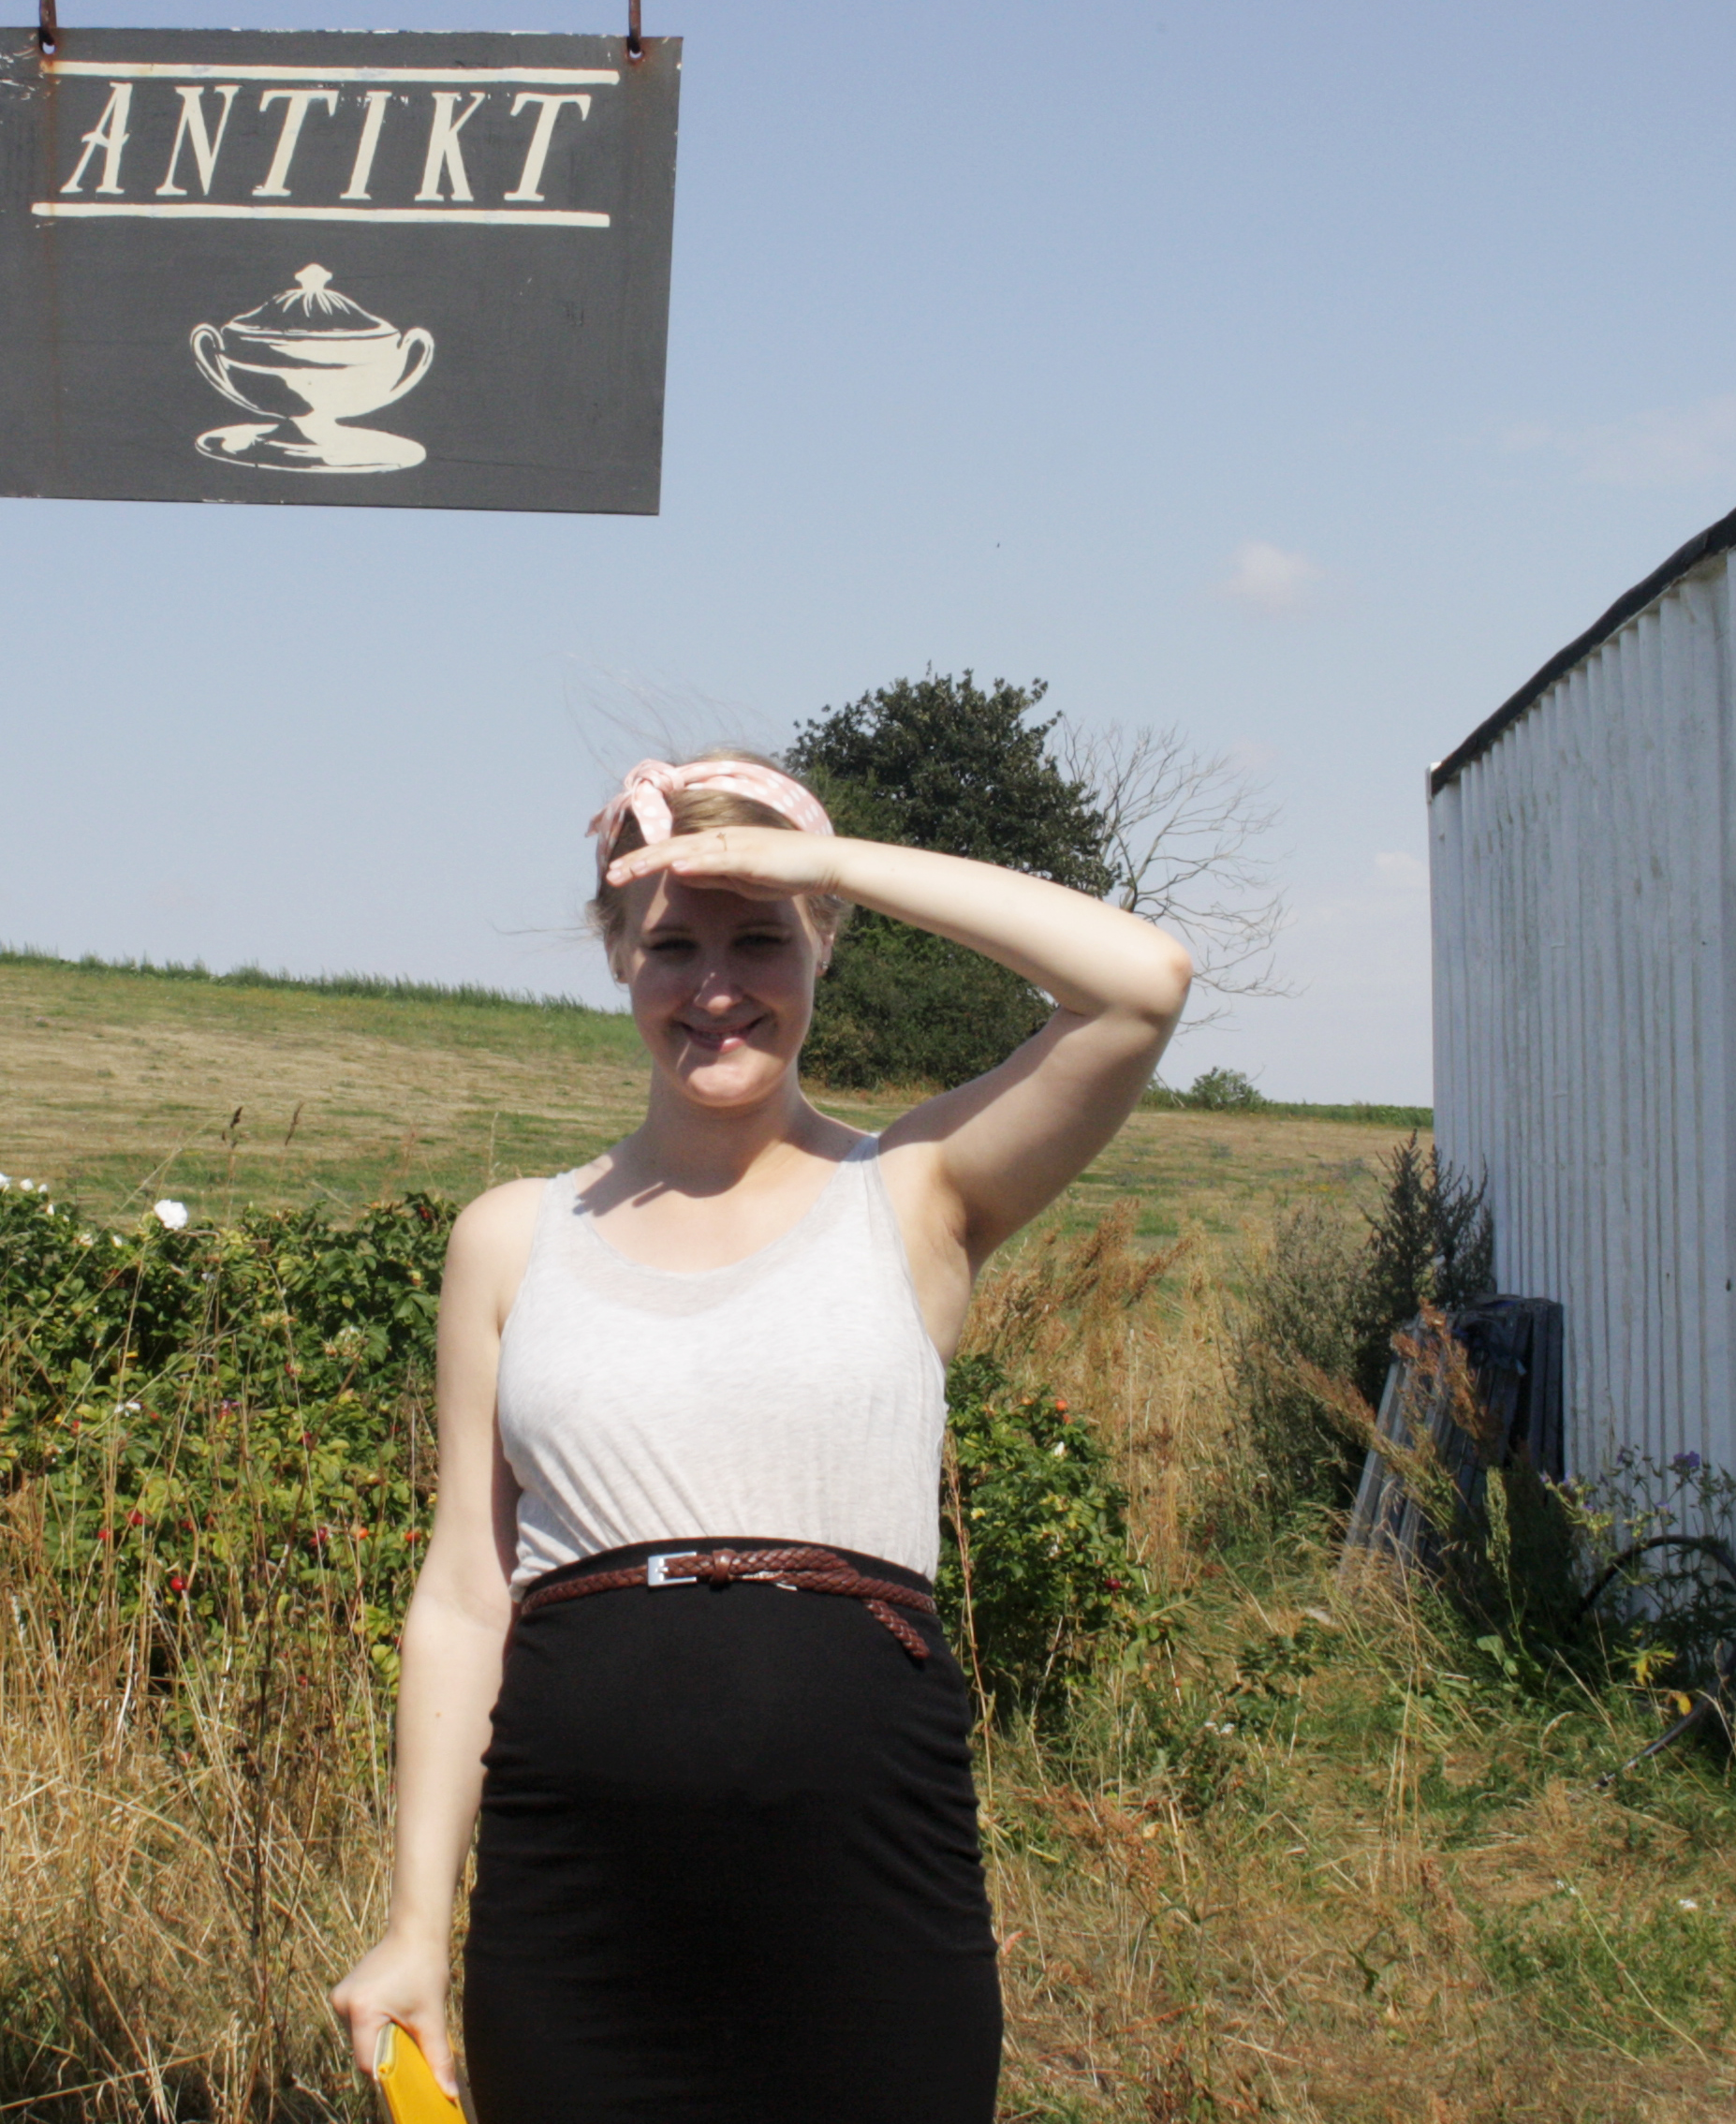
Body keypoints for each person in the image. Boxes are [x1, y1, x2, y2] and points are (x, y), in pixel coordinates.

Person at [328, 753, 1192, 2123]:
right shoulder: (511, 1238)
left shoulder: (913, 1193)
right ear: (618, 956)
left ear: (823, 942)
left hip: (870, 1891)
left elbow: (1141, 983)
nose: (716, 987)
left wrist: (829, 861)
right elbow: (464, 1596)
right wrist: (412, 1928)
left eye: (760, 939)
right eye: (673, 944)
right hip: (575, 1907)